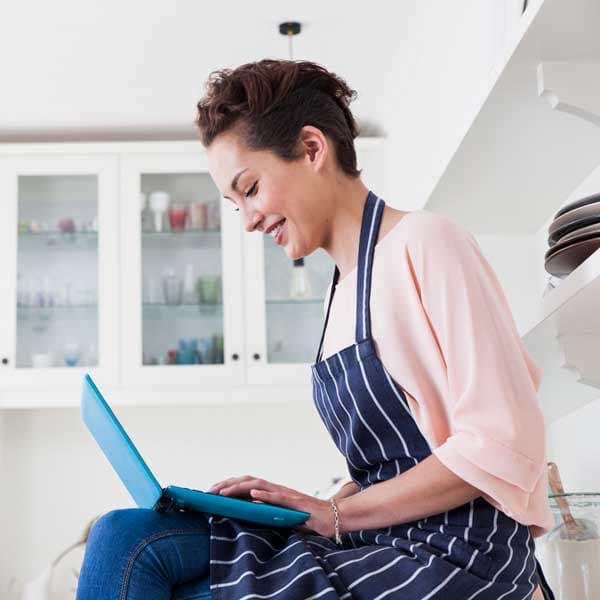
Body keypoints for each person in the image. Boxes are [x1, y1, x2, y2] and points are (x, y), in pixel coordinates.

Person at [76, 59, 556, 599]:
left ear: (311, 148)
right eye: (235, 205)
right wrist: (305, 503)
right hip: (380, 536)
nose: (249, 220)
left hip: (460, 549)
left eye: (250, 188)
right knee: (122, 533)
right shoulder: (341, 290)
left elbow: (501, 444)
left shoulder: (427, 243)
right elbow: (393, 464)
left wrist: (335, 513)